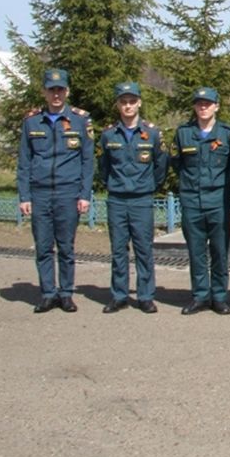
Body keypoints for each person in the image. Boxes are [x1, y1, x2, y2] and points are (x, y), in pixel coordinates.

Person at [17, 68, 94, 313]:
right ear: (45, 92)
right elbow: (24, 161)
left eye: (60, 89)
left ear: (67, 91)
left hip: (68, 192)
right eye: (52, 90)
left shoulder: (80, 120)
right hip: (40, 193)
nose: (56, 95)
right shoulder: (32, 121)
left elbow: (87, 161)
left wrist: (84, 194)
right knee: (43, 246)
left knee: (66, 247)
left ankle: (67, 293)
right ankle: (48, 293)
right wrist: (24, 196)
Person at [97, 81, 168, 314]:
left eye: (131, 101)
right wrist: (114, 185)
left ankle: (146, 296)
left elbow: (160, 166)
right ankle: (119, 295)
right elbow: (103, 167)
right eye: (123, 102)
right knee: (118, 249)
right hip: (117, 199)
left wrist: (147, 186)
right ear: (118, 105)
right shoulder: (108, 135)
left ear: (139, 103)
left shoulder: (153, 134)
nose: (127, 106)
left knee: (143, 249)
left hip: (141, 199)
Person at [172, 87, 230, 316]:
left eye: (208, 103)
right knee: (196, 251)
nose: (203, 107)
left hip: (218, 201)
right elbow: (176, 163)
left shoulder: (228, 134)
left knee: (220, 251)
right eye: (199, 103)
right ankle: (200, 295)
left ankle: (219, 297)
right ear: (194, 106)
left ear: (216, 106)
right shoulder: (183, 133)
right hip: (192, 201)